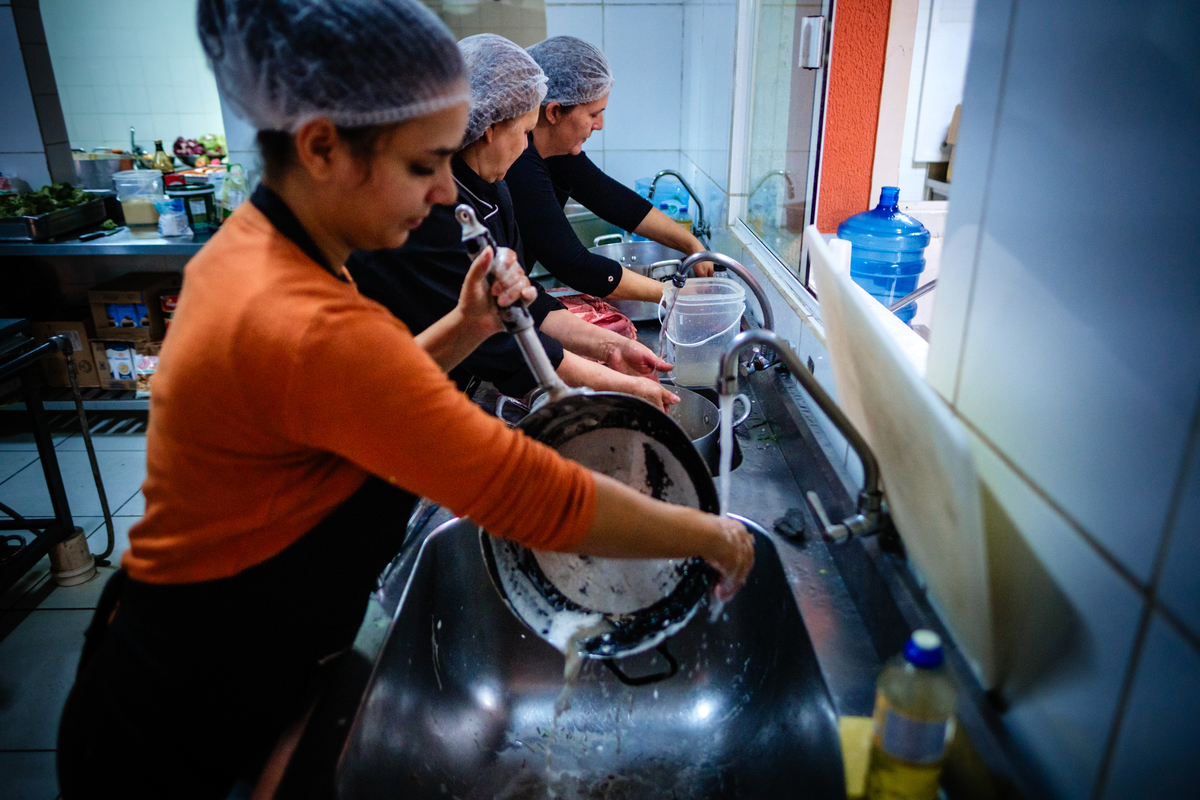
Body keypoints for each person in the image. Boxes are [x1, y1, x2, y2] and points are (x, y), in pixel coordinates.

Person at [55, 3, 753, 798]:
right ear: (322, 148)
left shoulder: (263, 252)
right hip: (187, 714)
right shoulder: (306, 319)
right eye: (424, 164)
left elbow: (355, 404)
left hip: (200, 656)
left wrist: (466, 324)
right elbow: (525, 492)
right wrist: (712, 536)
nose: (442, 193)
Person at [349, 34, 678, 410]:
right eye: (524, 133)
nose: (526, 148)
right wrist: (629, 388)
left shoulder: (494, 186)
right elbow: (502, 347)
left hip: (439, 387)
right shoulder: (428, 216)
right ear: (489, 129)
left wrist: (611, 346)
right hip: (386, 404)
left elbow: (519, 303)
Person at [505, 35, 714, 307]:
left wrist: (692, 244)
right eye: (593, 114)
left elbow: (614, 200)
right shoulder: (518, 163)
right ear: (554, 112)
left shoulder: (555, 149)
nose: (600, 124)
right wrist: (674, 296)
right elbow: (574, 264)